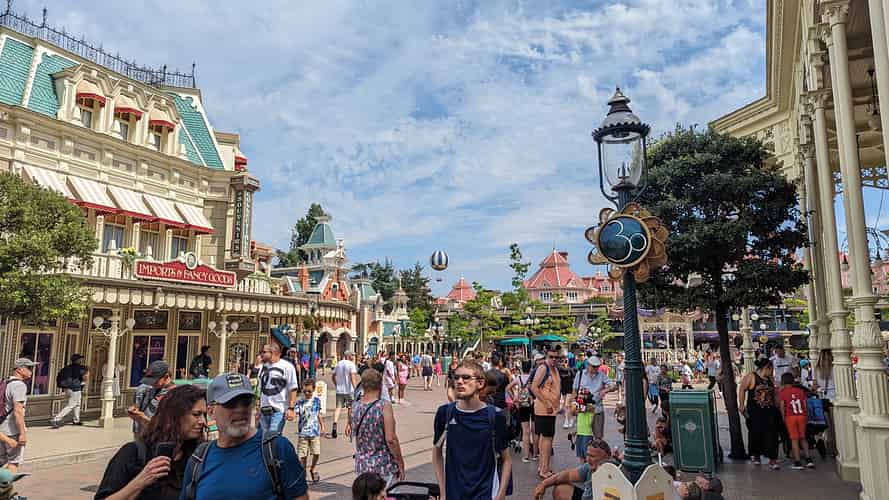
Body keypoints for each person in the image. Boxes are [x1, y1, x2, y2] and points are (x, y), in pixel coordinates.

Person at [179, 372, 309, 500]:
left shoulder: (277, 448)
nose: (240, 410)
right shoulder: (199, 459)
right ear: (211, 411)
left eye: (246, 402)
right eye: (230, 403)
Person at [94, 385, 206, 499]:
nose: (203, 421)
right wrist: (141, 480)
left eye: (204, 415)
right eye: (196, 414)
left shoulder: (197, 457)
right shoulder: (133, 453)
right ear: (175, 415)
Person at [432, 359, 512, 500]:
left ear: (480, 383)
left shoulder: (495, 416)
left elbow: (506, 459)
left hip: (486, 493)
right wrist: (443, 492)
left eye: (466, 378)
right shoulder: (445, 413)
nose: (459, 381)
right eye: (456, 377)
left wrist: (500, 494)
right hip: (454, 494)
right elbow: (436, 453)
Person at [346, 369, 405, 484]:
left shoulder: (354, 407)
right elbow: (391, 439)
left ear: (363, 385)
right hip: (383, 466)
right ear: (380, 385)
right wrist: (400, 463)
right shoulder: (384, 406)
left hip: (362, 467)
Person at [532, 437, 617, 500]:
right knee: (560, 489)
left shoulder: (614, 471)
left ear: (607, 457)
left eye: (593, 456)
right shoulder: (589, 466)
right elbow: (568, 475)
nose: (588, 459)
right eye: (587, 455)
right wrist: (544, 484)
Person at [739, 358, 780, 469]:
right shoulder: (751, 377)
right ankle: (756, 455)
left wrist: (777, 403)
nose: (772, 371)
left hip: (769, 411)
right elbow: (742, 389)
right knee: (755, 433)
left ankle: (772, 459)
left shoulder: (770, 379)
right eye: (771, 369)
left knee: (772, 434)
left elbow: (774, 394)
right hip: (755, 411)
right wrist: (741, 405)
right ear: (766, 368)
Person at [530, 344, 561, 481]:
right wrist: (547, 402)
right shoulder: (544, 368)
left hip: (550, 410)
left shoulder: (554, 369)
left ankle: (543, 467)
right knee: (547, 439)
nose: (554, 359)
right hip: (545, 410)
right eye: (551, 357)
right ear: (547, 356)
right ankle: (544, 469)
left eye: (556, 357)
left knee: (545, 439)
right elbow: (534, 387)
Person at [0, 358, 36, 473]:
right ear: (20, 369)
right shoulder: (19, 386)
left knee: (2, 461)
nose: (31, 371)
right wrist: (22, 434)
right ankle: (6, 484)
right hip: (12, 431)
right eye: (29, 368)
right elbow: (18, 411)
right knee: (13, 463)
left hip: (1, 430)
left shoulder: (4, 382)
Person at [571, 356, 617, 443]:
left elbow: (614, 386)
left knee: (598, 437)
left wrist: (606, 390)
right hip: (583, 411)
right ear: (588, 365)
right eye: (593, 366)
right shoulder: (580, 374)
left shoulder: (601, 375)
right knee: (583, 436)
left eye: (597, 366)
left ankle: (596, 450)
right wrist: (573, 404)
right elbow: (574, 390)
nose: (595, 369)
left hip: (597, 409)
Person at [257, 343, 299, 434]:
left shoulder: (287, 367)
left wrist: (291, 408)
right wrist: (258, 407)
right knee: (262, 438)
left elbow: (293, 388)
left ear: (272, 352)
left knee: (273, 437)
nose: (261, 354)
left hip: (278, 411)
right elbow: (261, 388)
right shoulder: (263, 366)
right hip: (264, 411)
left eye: (264, 352)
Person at [129, 361, 176, 438]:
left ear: (166, 377)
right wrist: (134, 411)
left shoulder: (175, 395)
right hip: (140, 435)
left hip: (157, 438)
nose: (151, 383)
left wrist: (143, 418)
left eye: (155, 381)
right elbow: (136, 405)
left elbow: (168, 425)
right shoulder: (144, 388)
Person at [777, 372, 814, 469]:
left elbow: (782, 406)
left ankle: (797, 462)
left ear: (783, 382)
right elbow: (805, 404)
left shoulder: (782, 392)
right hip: (801, 415)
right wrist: (806, 415)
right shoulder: (800, 391)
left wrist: (783, 417)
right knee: (803, 438)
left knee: (794, 439)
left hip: (790, 417)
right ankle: (808, 459)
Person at [294, 378, 324, 483]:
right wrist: (291, 415)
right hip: (303, 433)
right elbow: (295, 413)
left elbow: (319, 414)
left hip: (314, 432)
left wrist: (322, 427)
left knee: (316, 453)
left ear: (314, 390)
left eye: (309, 391)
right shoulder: (300, 402)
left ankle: (312, 468)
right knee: (302, 455)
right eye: (305, 391)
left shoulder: (316, 401)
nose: (307, 393)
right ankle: (303, 473)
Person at [507, 359, 535, 462]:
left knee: (526, 431)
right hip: (533, 403)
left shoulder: (518, 378)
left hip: (522, 404)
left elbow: (507, 388)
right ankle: (535, 454)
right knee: (534, 430)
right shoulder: (533, 377)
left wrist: (514, 399)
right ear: (530, 367)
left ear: (522, 368)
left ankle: (526, 456)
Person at [51, 354, 89, 428]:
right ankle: (56, 419)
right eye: (80, 359)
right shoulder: (80, 368)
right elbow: (85, 378)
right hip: (75, 389)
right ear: (78, 360)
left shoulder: (67, 367)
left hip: (67, 388)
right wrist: (87, 371)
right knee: (71, 405)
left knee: (77, 404)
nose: (81, 360)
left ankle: (76, 420)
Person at [331, 351, 359, 439]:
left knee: (338, 408)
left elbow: (333, 376)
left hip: (339, 390)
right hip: (349, 390)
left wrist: (337, 384)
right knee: (350, 408)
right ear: (348, 356)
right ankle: (349, 425)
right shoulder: (351, 364)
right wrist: (356, 389)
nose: (353, 357)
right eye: (352, 355)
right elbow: (352, 378)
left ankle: (335, 423)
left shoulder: (338, 364)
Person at [558, 353, 575, 429]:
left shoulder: (571, 369)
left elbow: (574, 379)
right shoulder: (559, 369)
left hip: (570, 388)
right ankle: (570, 419)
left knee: (567, 405)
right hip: (563, 388)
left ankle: (566, 421)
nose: (564, 362)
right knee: (567, 405)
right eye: (562, 360)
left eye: (565, 360)